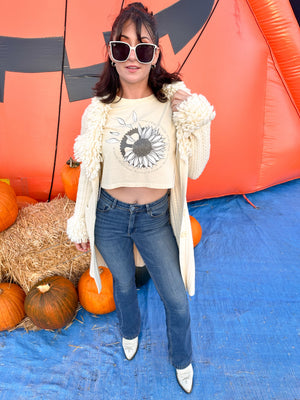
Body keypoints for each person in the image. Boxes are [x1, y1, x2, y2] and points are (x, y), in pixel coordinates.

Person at [67, 2, 215, 394]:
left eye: (143, 48)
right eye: (123, 47)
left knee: (176, 299)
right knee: (123, 285)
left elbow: (197, 167)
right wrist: (81, 220)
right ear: (112, 55)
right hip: (110, 215)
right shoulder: (97, 112)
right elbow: (88, 177)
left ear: (155, 56)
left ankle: (181, 358)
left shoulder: (174, 104)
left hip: (154, 218)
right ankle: (129, 331)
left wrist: (198, 119)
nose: (133, 56)